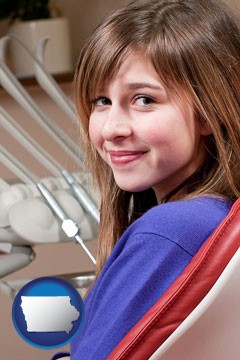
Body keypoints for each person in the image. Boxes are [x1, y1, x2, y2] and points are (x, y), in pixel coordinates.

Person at [54, 0, 240, 358]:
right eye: (102, 101)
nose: (111, 129)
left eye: (143, 100)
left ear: (210, 112)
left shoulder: (170, 230)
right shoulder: (213, 217)